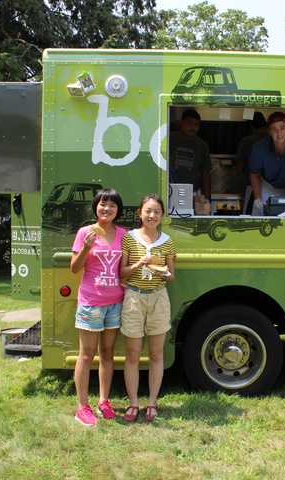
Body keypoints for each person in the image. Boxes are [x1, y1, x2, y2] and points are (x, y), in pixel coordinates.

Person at [70, 188, 126, 426]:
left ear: (117, 210)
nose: (107, 209)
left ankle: (104, 401)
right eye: (103, 204)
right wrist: (85, 248)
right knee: (86, 354)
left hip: (114, 302)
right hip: (91, 302)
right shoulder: (85, 232)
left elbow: (125, 268)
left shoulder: (124, 235)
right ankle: (82, 407)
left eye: (112, 205)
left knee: (107, 354)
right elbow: (74, 268)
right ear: (96, 206)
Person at [120, 194, 176, 422]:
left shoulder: (168, 241)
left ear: (162, 216)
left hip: (158, 298)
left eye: (157, 212)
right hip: (134, 297)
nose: (152, 215)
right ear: (139, 214)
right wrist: (139, 264)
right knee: (132, 354)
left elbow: (172, 276)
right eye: (148, 211)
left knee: (156, 353)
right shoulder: (129, 238)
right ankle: (133, 403)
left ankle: (152, 402)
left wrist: (163, 270)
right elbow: (122, 273)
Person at [169, 108, 211, 199]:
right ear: (181, 123)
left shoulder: (202, 145)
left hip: (193, 192)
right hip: (169, 189)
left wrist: (207, 198)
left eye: (196, 124)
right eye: (189, 123)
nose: (193, 127)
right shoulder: (169, 139)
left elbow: (206, 173)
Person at [236, 111, 268, 182]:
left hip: (251, 183)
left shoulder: (247, 142)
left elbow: (240, 165)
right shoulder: (274, 139)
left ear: (251, 126)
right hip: (270, 184)